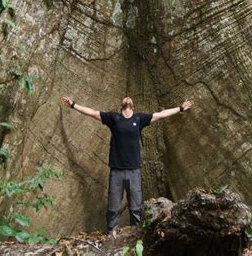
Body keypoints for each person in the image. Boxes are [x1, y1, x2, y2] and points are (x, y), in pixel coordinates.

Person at [61, 94, 193, 235]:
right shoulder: (114, 118)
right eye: (125, 98)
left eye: (129, 98)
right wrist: (73, 104)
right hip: (116, 171)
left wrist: (180, 108)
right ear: (121, 106)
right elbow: (93, 112)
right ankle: (112, 235)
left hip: (134, 171)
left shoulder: (139, 119)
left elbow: (161, 114)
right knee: (113, 207)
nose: (127, 97)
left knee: (136, 207)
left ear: (133, 107)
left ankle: (136, 235)